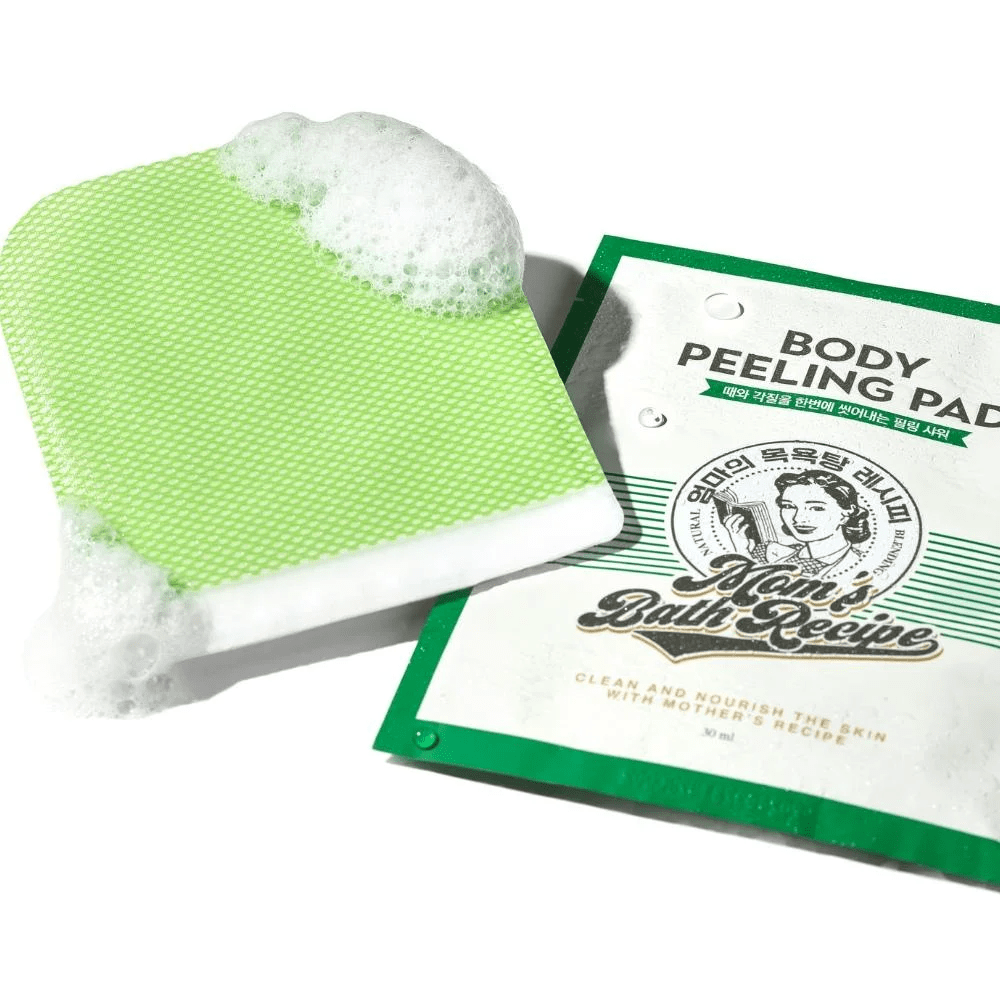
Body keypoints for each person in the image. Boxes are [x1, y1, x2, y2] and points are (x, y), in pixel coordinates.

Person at [723, 469, 870, 580]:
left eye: (816, 508)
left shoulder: (861, 565)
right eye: (788, 506)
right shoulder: (768, 553)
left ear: (846, 513)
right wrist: (741, 549)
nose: (798, 518)